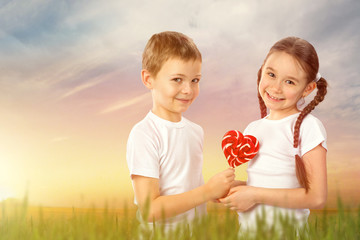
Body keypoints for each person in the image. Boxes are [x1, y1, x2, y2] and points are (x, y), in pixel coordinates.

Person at [126, 31, 235, 230]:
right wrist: (207, 191)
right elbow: (149, 210)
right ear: (148, 79)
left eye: (195, 80)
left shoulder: (196, 132)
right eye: (177, 79)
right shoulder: (144, 134)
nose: (188, 90)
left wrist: (217, 190)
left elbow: (191, 189)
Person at [220, 36, 328, 232]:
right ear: (261, 71)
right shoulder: (252, 129)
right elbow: (266, 184)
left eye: (289, 81)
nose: (276, 88)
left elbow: (316, 197)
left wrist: (254, 195)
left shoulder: (308, 127)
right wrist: (236, 188)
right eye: (271, 75)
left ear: (308, 89)